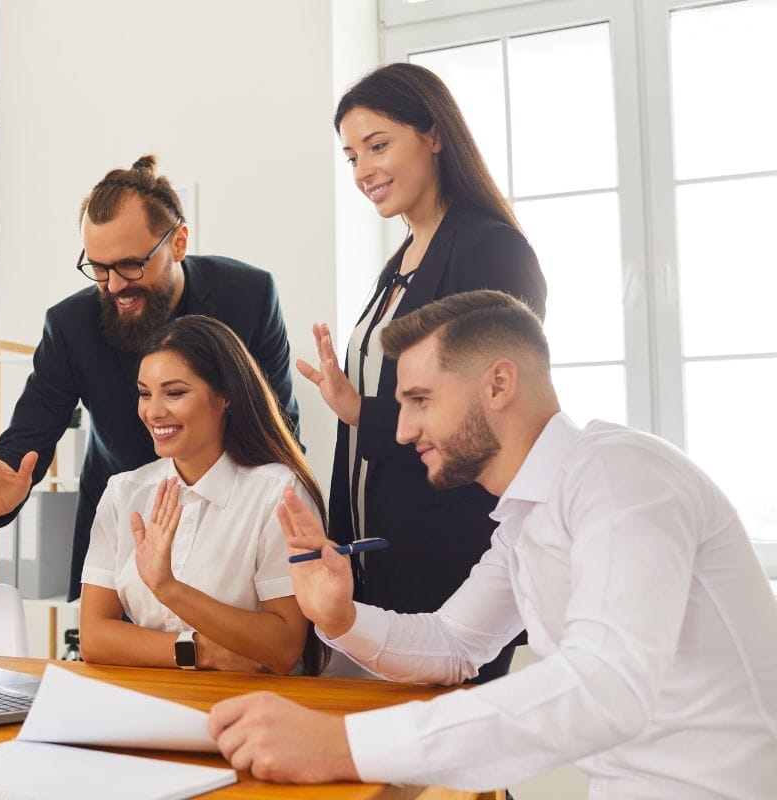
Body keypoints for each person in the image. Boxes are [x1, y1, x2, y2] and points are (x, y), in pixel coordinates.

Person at [209, 290, 777, 796]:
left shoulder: (621, 475)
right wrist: (339, 617)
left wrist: (343, 745)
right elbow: (456, 645)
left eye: (420, 400)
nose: (402, 431)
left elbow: (607, 688)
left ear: (499, 384)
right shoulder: (527, 517)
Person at [0, 155, 300, 600]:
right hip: (120, 529)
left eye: (129, 265)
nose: (114, 285)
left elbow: (280, 428)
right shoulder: (71, 324)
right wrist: (6, 485)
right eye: (98, 268)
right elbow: (32, 432)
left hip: (234, 521)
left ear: (178, 242)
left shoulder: (249, 295)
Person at [297, 63, 546, 681]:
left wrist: (360, 412)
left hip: (451, 560)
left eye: (378, 146)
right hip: (378, 556)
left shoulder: (489, 248)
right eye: (351, 156)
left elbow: (486, 414)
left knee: (452, 767)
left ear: (433, 135)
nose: (363, 172)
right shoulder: (400, 263)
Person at [80, 316, 322, 674]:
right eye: (145, 393)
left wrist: (169, 588)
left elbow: (284, 646)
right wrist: (197, 651)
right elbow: (95, 638)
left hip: (251, 709)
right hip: (147, 702)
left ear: (225, 396)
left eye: (175, 393)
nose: (153, 411)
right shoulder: (124, 492)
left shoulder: (277, 493)